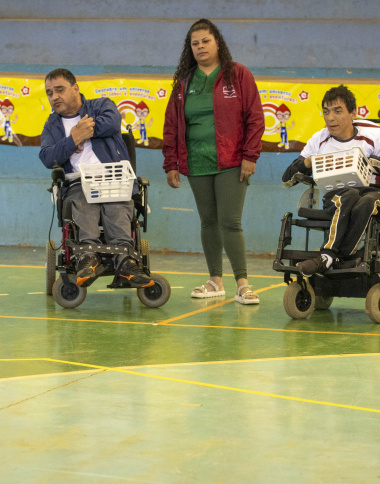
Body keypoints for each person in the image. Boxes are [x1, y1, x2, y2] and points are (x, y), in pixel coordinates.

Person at [163, 18, 264, 305]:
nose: (200, 47)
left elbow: (255, 118)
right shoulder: (184, 83)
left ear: (217, 42)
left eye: (205, 41)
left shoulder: (239, 75)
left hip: (232, 162)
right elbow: (171, 125)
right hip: (196, 163)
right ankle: (215, 281)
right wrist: (172, 163)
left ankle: (242, 284)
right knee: (208, 222)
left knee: (230, 222)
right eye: (194, 43)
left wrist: (249, 155)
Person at [282, 85, 380, 277]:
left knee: (368, 200)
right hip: (335, 197)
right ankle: (340, 258)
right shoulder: (319, 139)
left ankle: (328, 256)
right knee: (349, 194)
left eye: (337, 111)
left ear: (354, 113)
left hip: (372, 194)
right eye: (326, 112)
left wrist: (370, 161)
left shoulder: (372, 134)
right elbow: (287, 179)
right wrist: (308, 162)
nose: (330, 118)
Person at [39, 68, 152, 288]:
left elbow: (111, 121)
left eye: (59, 90)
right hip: (78, 183)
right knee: (83, 203)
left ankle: (126, 262)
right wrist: (73, 139)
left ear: (76, 88)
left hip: (114, 179)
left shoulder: (100, 106)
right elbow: (46, 156)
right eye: (49, 93)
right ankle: (87, 258)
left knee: (118, 205)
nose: (54, 97)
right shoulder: (52, 125)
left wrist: (84, 131)